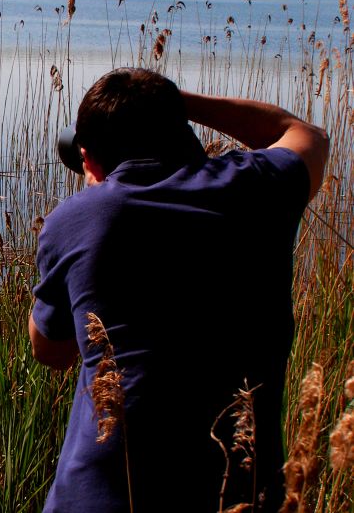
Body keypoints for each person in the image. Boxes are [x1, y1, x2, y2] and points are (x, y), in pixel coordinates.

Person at [29, 68, 329, 512]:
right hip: (240, 493)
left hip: (104, 496)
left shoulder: (77, 218)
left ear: (88, 161)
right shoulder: (260, 188)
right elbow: (305, 134)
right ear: (183, 131)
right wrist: (170, 99)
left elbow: (49, 350)